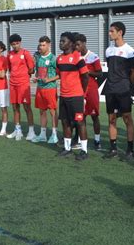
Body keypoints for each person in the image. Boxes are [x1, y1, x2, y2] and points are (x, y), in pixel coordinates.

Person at [102, 21, 134, 160]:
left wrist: (126, 85)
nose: (110, 33)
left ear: (120, 32)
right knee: (111, 119)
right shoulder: (108, 50)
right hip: (110, 89)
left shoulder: (130, 50)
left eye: (112, 31)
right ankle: (113, 149)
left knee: (127, 119)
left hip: (123, 90)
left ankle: (130, 150)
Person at [56, 32, 89, 161]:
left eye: (63, 41)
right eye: (60, 41)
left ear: (70, 43)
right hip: (63, 96)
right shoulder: (59, 59)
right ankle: (67, 148)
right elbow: (61, 75)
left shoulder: (78, 57)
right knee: (65, 122)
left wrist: (82, 92)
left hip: (76, 97)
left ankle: (84, 150)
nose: (60, 43)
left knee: (80, 122)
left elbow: (85, 77)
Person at [5, 34, 37, 141]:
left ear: (20, 42)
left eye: (17, 43)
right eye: (13, 44)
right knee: (15, 107)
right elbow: (9, 69)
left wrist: (30, 71)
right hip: (13, 84)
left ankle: (31, 131)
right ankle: (17, 130)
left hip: (23, 85)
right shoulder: (9, 54)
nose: (15, 46)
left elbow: (31, 70)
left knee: (27, 107)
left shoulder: (25, 53)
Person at [74, 33, 103, 150]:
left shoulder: (93, 57)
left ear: (84, 43)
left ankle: (97, 140)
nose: (76, 47)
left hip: (91, 90)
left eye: (78, 44)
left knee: (94, 116)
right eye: (75, 45)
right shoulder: (75, 57)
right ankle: (80, 140)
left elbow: (100, 73)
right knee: (80, 116)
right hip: (78, 90)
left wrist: (87, 71)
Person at [31, 36, 59, 144]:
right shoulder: (38, 58)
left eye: (43, 45)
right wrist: (36, 78)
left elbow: (59, 74)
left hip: (50, 89)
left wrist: (49, 80)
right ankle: (42, 135)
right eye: (40, 45)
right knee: (42, 111)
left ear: (48, 45)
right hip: (40, 88)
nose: (41, 47)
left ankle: (54, 134)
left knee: (52, 112)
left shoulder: (53, 58)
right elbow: (38, 72)